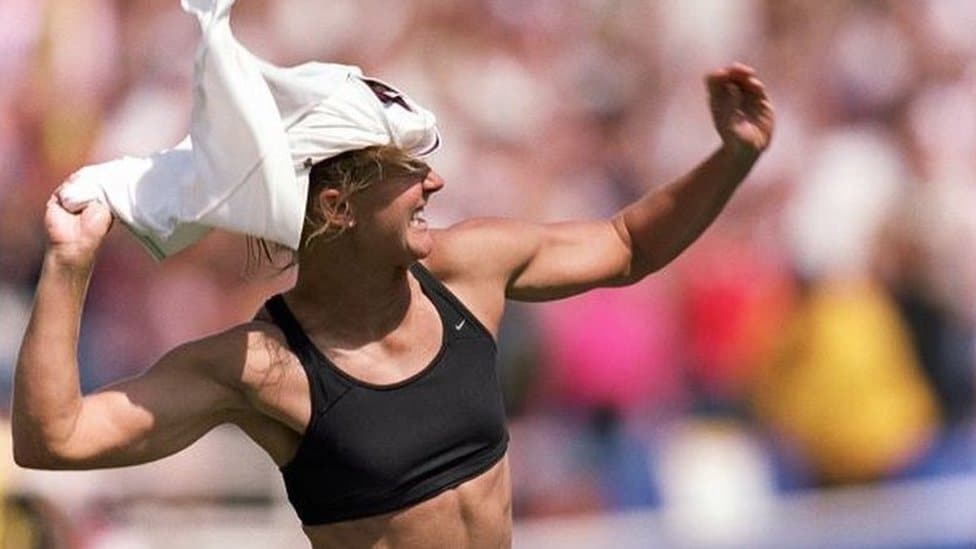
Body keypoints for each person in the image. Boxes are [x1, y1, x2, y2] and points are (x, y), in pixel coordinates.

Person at [12, 63, 773, 548]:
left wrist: (733, 154)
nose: (433, 185)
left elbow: (626, 244)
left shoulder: (471, 267)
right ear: (339, 207)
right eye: (408, 171)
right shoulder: (261, 366)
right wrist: (70, 263)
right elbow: (57, 438)